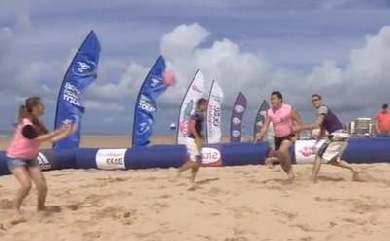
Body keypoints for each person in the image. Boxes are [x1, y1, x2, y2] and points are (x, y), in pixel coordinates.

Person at [6, 96, 76, 212]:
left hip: (31, 158)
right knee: (26, 185)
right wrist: (59, 131)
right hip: (16, 158)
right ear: (34, 108)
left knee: (42, 187)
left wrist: (67, 132)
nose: (43, 107)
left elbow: (52, 139)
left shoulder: (39, 124)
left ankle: (41, 209)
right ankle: (14, 210)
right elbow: (39, 138)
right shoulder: (26, 124)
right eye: (41, 105)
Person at [293, 94, 360, 182]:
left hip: (337, 135)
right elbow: (322, 130)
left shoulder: (322, 109)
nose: (314, 102)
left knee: (318, 155)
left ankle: (312, 179)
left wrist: (300, 127)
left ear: (321, 101)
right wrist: (317, 140)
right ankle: (353, 168)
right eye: (313, 101)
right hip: (342, 136)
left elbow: (316, 124)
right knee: (333, 161)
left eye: (316, 100)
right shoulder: (323, 113)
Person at [255, 91, 302, 180]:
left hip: (289, 135)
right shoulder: (270, 112)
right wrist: (260, 135)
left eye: (274, 99)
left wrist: (297, 134)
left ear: (280, 100)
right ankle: (290, 174)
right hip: (277, 138)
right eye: (271, 99)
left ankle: (274, 161)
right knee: (283, 163)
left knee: (282, 151)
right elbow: (265, 126)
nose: (272, 101)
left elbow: (298, 120)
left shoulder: (288, 108)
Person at [177, 98, 208, 189]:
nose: (206, 107)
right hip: (192, 140)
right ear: (201, 105)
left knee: (198, 162)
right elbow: (191, 127)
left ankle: (192, 181)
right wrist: (197, 137)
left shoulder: (201, 115)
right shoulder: (196, 114)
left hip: (196, 139)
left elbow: (198, 128)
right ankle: (180, 170)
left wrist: (201, 136)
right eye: (205, 105)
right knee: (195, 162)